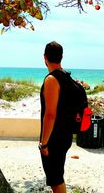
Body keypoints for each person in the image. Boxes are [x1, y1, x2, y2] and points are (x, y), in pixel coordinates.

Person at [39, 41, 73, 193]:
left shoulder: (52, 80)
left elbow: (50, 115)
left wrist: (44, 143)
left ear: (44, 57)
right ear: (61, 57)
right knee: (57, 176)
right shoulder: (67, 77)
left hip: (54, 138)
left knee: (55, 178)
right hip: (65, 135)